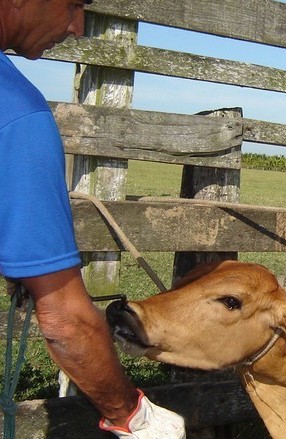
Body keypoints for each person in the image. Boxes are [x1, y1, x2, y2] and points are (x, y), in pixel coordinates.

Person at [0, 0, 185, 437]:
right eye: (73, 4)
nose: (77, 26)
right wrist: (133, 416)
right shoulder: (16, 113)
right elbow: (65, 321)